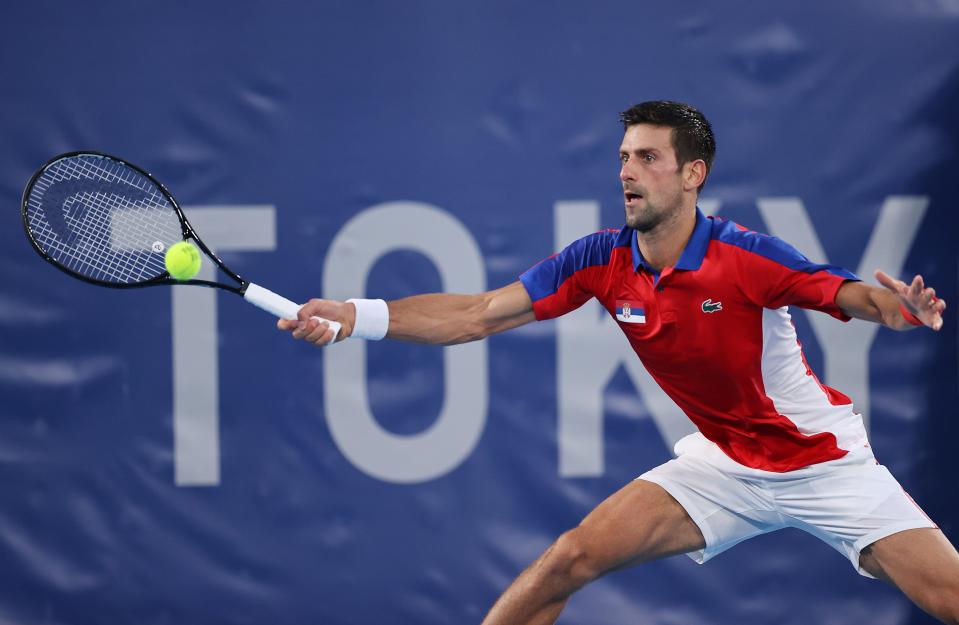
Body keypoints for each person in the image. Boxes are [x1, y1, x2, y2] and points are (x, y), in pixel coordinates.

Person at [278, 101, 958, 624]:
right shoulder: (598, 259)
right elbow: (479, 313)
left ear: (694, 174)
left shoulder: (746, 256)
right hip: (723, 464)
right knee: (568, 558)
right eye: (624, 156)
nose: (626, 172)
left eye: (648, 157)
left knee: (947, 596)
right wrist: (354, 315)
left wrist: (892, 308)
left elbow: (843, 291)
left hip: (820, 463)